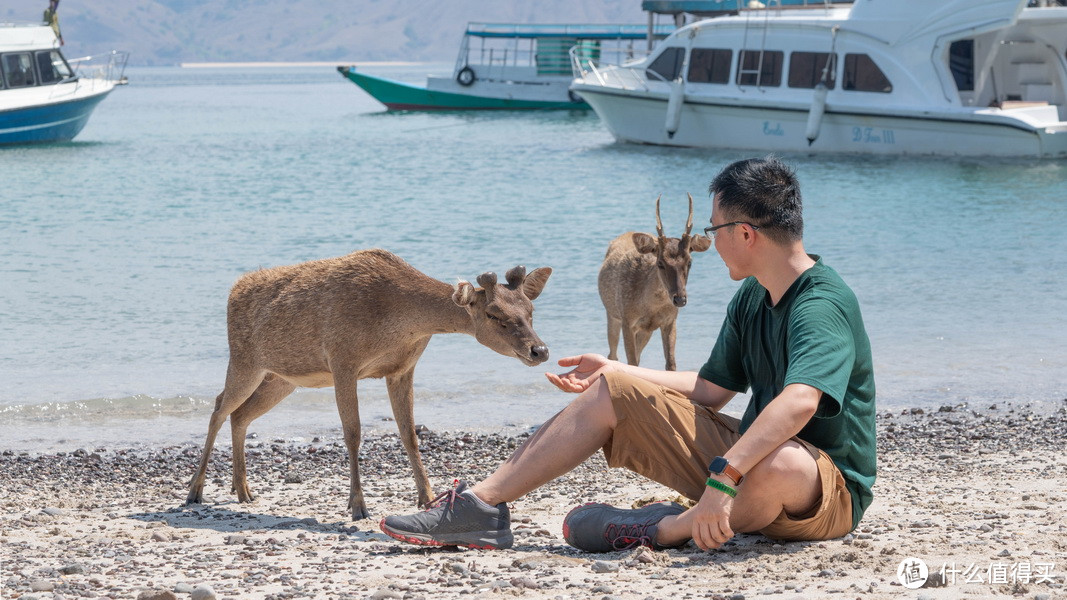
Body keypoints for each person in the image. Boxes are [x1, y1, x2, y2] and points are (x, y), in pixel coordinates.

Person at [380, 156, 876, 553]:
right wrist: (616, 371)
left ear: (745, 233)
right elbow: (711, 390)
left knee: (781, 465)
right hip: (747, 466)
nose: (713, 242)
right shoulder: (752, 295)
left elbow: (800, 403)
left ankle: (662, 529)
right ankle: (479, 507)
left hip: (819, 490)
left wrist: (723, 480)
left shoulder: (821, 304)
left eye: (716, 229)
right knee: (611, 392)